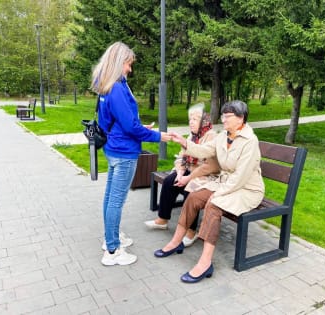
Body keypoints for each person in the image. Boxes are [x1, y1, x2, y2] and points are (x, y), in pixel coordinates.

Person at [155, 100, 265, 283]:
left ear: (241, 118)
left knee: (213, 205)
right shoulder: (223, 136)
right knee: (194, 197)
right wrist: (183, 142)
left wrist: (218, 194)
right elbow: (204, 149)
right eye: (223, 115)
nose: (224, 119)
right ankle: (175, 242)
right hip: (226, 183)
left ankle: (205, 263)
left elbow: (241, 177)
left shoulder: (250, 142)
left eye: (228, 116)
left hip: (246, 189)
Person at [91, 42, 171, 266]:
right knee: (116, 200)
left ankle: (111, 238)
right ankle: (113, 250)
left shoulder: (105, 85)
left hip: (113, 148)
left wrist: (137, 125)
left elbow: (112, 122)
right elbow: (129, 127)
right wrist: (157, 136)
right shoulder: (117, 87)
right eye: (128, 64)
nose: (130, 69)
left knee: (110, 198)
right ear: (119, 62)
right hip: (124, 152)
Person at [144, 103, 219, 247]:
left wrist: (188, 177)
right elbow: (181, 157)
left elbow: (209, 166)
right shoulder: (192, 136)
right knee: (169, 181)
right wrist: (179, 172)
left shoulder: (211, 137)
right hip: (188, 171)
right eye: (190, 119)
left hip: (205, 175)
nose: (191, 122)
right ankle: (162, 219)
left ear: (204, 121)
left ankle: (191, 231)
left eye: (195, 119)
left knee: (190, 190)